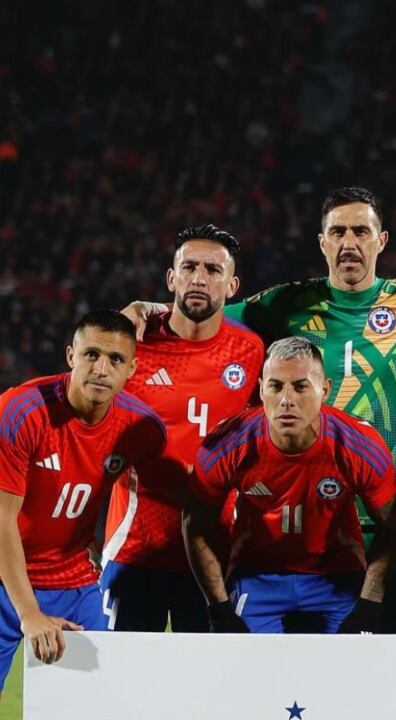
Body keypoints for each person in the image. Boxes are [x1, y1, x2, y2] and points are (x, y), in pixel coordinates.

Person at [127, 186, 396, 633]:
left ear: (381, 240)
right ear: (322, 242)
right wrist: (149, 308)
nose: (348, 243)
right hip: (306, 526)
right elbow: (204, 313)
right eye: (337, 232)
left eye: (360, 231)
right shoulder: (284, 304)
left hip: (393, 519)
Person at [0, 311, 175, 694]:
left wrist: (101, 545)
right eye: (91, 354)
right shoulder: (20, 411)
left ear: (132, 368)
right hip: (5, 579)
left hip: (73, 582)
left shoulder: (140, 429)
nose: (101, 368)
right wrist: (29, 613)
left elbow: (153, 498)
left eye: (115, 360)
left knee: (106, 699)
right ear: (70, 357)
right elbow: (2, 521)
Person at [182, 337, 396, 633]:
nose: (287, 399)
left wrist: (368, 605)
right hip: (256, 576)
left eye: (301, 386)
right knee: (243, 673)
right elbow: (193, 524)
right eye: (276, 386)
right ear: (261, 389)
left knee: (350, 674)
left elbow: (392, 525)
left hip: (336, 577)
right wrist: (219, 609)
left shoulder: (360, 446)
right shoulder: (226, 444)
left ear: (324, 390)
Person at [101, 224, 263, 632]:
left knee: (208, 691)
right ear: (171, 278)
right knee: (124, 687)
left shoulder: (251, 351)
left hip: (214, 560)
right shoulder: (132, 345)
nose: (199, 277)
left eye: (213, 270)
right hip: (135, 554)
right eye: (189, 267)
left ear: (232, 286)